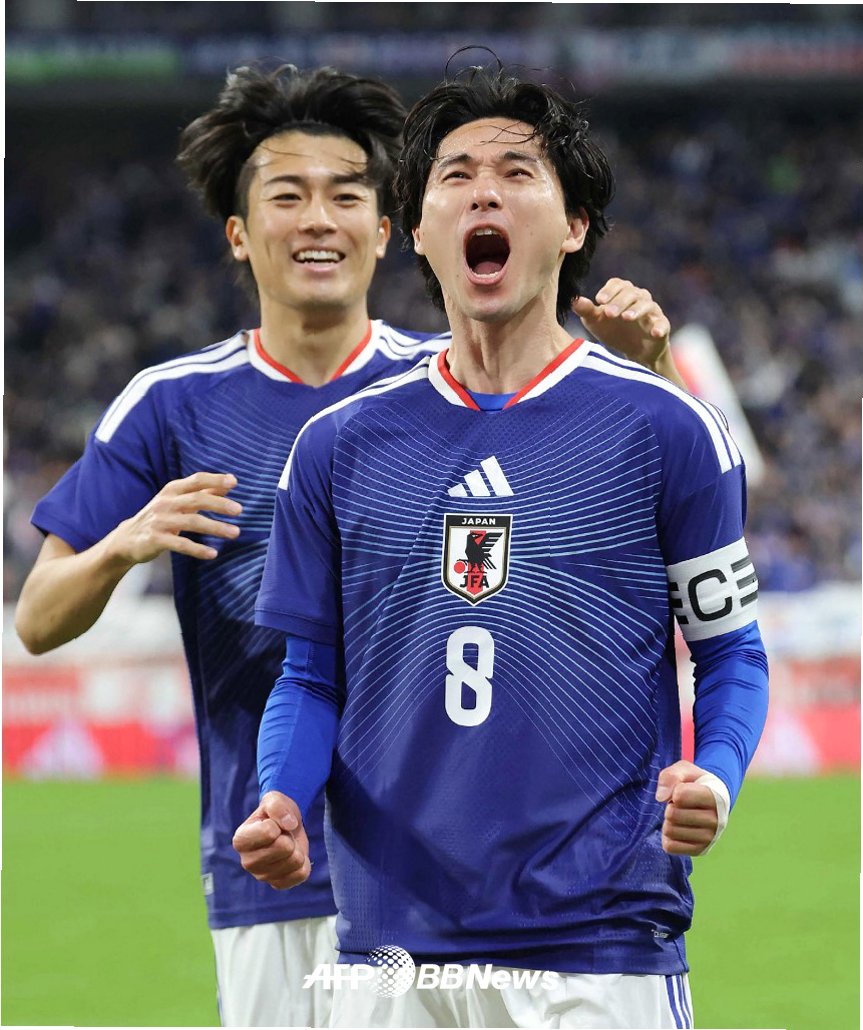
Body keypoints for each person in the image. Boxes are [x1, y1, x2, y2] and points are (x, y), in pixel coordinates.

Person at [14, 62, 676, 1028]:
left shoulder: (459, 381)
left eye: (347, 195)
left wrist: (651, 369)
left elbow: (659, 521)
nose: (318, 219)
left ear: (387, 229)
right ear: (239, 234)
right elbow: (36, 619)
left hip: (447, 866)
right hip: (270, 862)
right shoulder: (171, 404)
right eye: (287, 196)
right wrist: (124, 542)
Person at [237, 66, 769, 1029]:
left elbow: (732, 652)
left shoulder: (667, 429)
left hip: (599, 945)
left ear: (572, 226)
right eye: (455, 175)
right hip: (389, 956)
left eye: (517, 172)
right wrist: (281, 797)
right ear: (417, 229)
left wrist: (717, 777)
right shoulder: (336, 448)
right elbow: (309, 678)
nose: (483, 191)